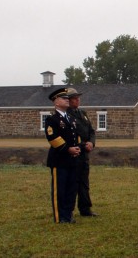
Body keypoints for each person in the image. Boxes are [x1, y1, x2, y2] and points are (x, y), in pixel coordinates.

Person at [45, 87, 81, 223]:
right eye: (63, 98)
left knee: (71, 188)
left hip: (72, 159)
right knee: (59, 190)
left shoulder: (71, 118)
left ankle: (69, 214)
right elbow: (53, 138)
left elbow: (75, 136)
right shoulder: (52, 119)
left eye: (67, 98)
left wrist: (78, 148)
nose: (67, 100)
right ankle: (60, 217)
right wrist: (68, 149)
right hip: (59, 160)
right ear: (56, 102)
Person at [68, 88, 98, 217]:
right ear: (68, 101)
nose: (77, 100)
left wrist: (91, 142)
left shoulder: (83, 114)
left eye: (78, 98)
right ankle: (68, 210)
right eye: (74, 98)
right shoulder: (67, 116)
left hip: (85, 154)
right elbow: (71, 136)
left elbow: (91, 131)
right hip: (74, 154)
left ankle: (85, 209)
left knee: (84, 183)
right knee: (72, 184)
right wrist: (82, 144)